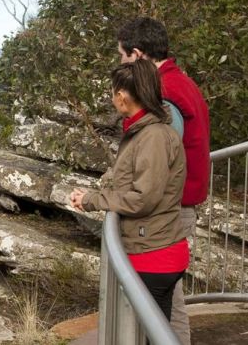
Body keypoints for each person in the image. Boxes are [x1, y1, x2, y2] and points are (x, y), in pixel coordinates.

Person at [70, 60, 188, 322]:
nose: (113, 99)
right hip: (155, 250)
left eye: (113, 93)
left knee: (147, 333)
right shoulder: (146, 131)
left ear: (122, 97)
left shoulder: (153, 137)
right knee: (154, 331)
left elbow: (143, 198)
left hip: (153, 253)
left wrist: (92, 200)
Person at [117, 17, 210, 345]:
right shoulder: (181, 82)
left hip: (168, 211)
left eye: (124, 57)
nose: (122, 65)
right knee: (170, 299)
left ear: (138, 54)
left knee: (162, 302)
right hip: (182, 203)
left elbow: (158, 159)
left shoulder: (163, 91)